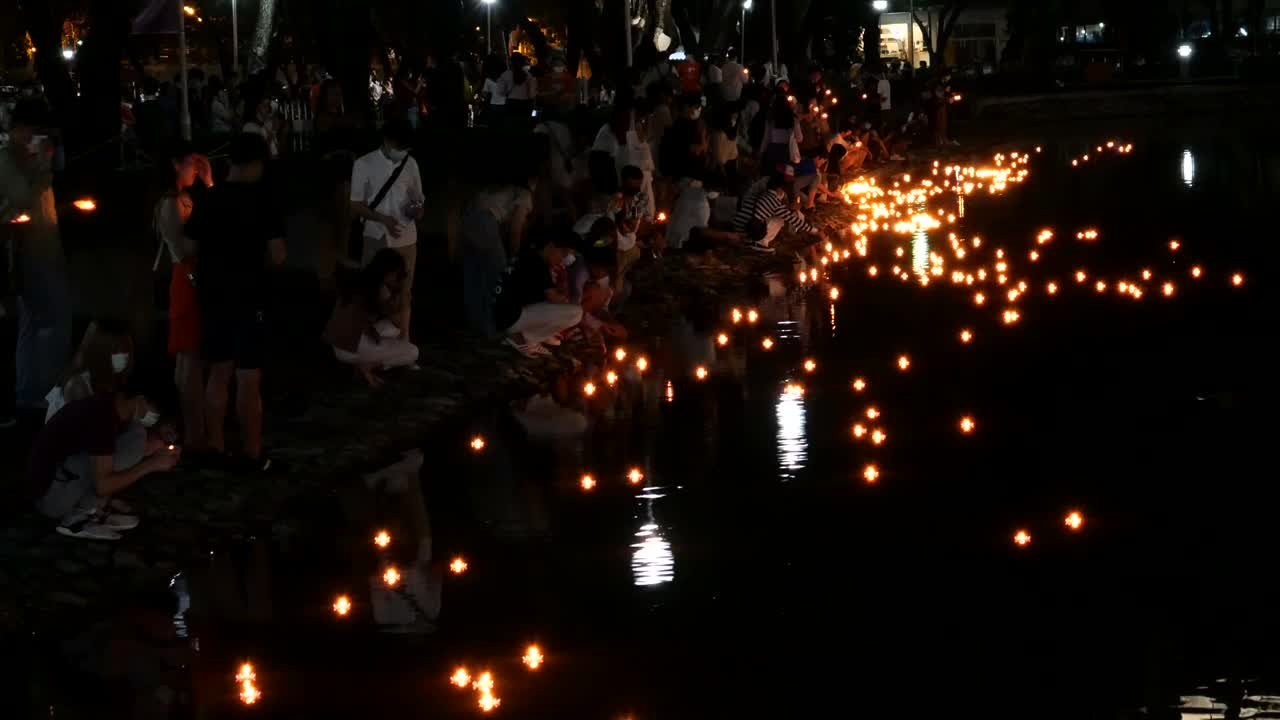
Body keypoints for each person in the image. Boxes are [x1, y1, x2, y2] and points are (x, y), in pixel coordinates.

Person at [186, 133, 285, 472]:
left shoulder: (210, 200)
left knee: (217, 373)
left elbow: (190, 248)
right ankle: (252, 453)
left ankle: (214, 445)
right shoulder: (264, 200)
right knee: (248, 377)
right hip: (250, 297)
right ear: (257, 164)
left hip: (213, 296)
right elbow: (278, 254)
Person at [27, 387, 179, 540]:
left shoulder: (114, 405)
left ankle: (95, 507)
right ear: (140, 399)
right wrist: (151, 465)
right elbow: (103, 486)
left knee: (136, 437)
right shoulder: (102, 417)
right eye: (156, 412)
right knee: (135, 442)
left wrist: (159, 439)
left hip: (58, 479)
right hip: (52, 498)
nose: (156, 417)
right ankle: (78, 519)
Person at [0, 98, 72, 415]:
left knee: (34, 323)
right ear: (18, 128)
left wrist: (46, 159)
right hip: (28, 252)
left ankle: (30, 393)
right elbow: (22, 197)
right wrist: (41, 168)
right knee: (51, 322)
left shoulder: (26, 156)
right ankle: (44, 394)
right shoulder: (6, 160)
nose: (34, 136)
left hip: (44, 246)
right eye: (30, 130)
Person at [153, 142, 214, 449]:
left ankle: (193, 427)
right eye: (192, 163)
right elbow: (181, 248)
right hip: (188, 278)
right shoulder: (172, 202)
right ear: (177, 164)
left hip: (187, 277)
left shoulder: (180, 199)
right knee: (190, 356)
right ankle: (195, 431)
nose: (196, 168)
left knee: (188, 357)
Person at [350, 116, 423, 340]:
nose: (402, 151)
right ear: (387, 141)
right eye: (399, 147)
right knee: (370, 291)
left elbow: (419, 198)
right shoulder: (364, 164)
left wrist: (417, 209)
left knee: (404, 293)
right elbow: (355, 204)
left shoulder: (410, 163)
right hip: (376, 236)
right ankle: (366, 345)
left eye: (406, 147)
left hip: (406, 237)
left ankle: (403, 342)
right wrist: (382, 219)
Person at [324, 248, 418, 387]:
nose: (398, 277)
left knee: (391, 330)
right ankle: (367, 366)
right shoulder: (380, 289)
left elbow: (365, 320)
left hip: (338, 345)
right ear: (389, 272)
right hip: (350, 348)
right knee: (412, 352)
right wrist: (401, 291)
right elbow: (398, 321)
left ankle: (364, 362)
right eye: (398, 274)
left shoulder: (360, 278)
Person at [461, 178, 535, 337]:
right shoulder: (525, 195)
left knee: (474, 278)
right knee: (496, 279)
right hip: (485, 222)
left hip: (468, 218)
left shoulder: (501, 189)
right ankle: (492, 328)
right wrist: (515, 259)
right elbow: (516, 230)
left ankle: (475, 324)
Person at [493, 235, 584, 357]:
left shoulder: (529, 254)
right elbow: (555, 298)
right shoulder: (538, 264)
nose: (561, 260)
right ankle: (527, 340)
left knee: (556, 307)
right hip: (509, 319)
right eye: (562, 254)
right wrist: (565, 292)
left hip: (502, 314)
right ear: (552, 246)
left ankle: (533, 335)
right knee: (576, 313)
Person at [44, 317, 135, 422]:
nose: (125, 357)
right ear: (103, 351)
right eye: (118, 351)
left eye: (127, 350)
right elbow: (91, 429)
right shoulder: (78, 385)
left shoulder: (111, 381)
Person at [499, 54, 538, 125]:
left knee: (511, 126)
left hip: (511, 104)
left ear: (511, 62)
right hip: (525, 105)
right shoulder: (529, 76)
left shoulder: (505, 74)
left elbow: (501, 92)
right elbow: (532, 94)